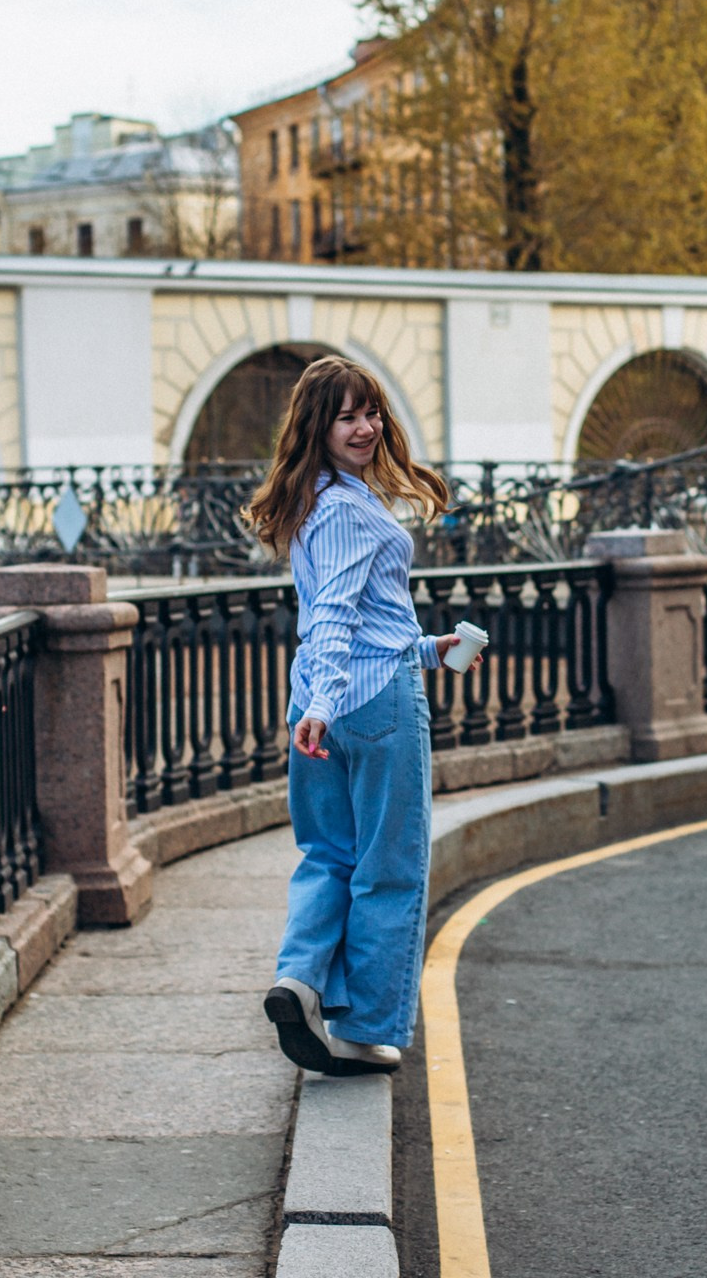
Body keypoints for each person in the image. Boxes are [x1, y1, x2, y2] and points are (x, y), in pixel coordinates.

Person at [244, 356, 472, 1077]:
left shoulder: (313, 499)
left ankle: (299, 979)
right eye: (348, 416)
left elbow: (349, 620)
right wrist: (327, 704)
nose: (367, 426)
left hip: (324, 699)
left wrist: (430, 651)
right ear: (320, 425)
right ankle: (367, 1028)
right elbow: (337, 615)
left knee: (328, 855)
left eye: (371, 412)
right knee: (389, 868)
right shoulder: (347, 509)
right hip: (366, 705)